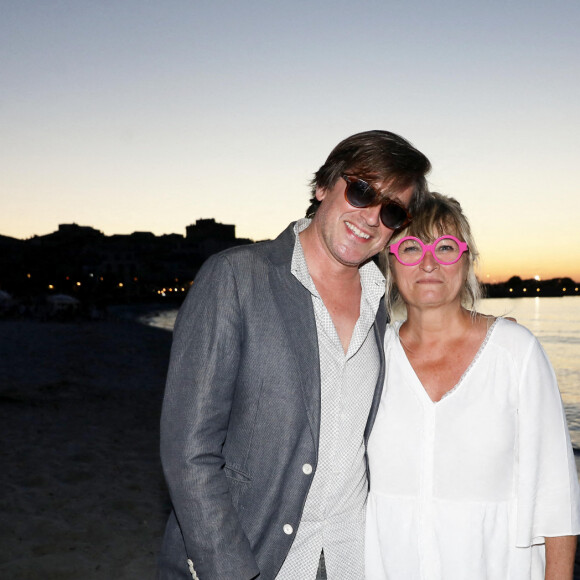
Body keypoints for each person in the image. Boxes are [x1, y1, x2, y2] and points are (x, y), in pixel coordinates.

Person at [158, 130, 431, 579]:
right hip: (253, 556)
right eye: (361, 190)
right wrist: (229, 570)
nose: (370, 218)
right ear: (323, 185)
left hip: (350, 558)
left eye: (391, 210)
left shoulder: (380, 305)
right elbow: (188, 450)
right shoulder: (237, 277)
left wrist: (487, 336)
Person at [365, 192, 580, 579]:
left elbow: (557, 494)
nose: (429, 262)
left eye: (446, 247)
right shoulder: (369, 356)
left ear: (467, 261)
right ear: (390, 263)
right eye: (411, 247)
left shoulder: (516, 353)